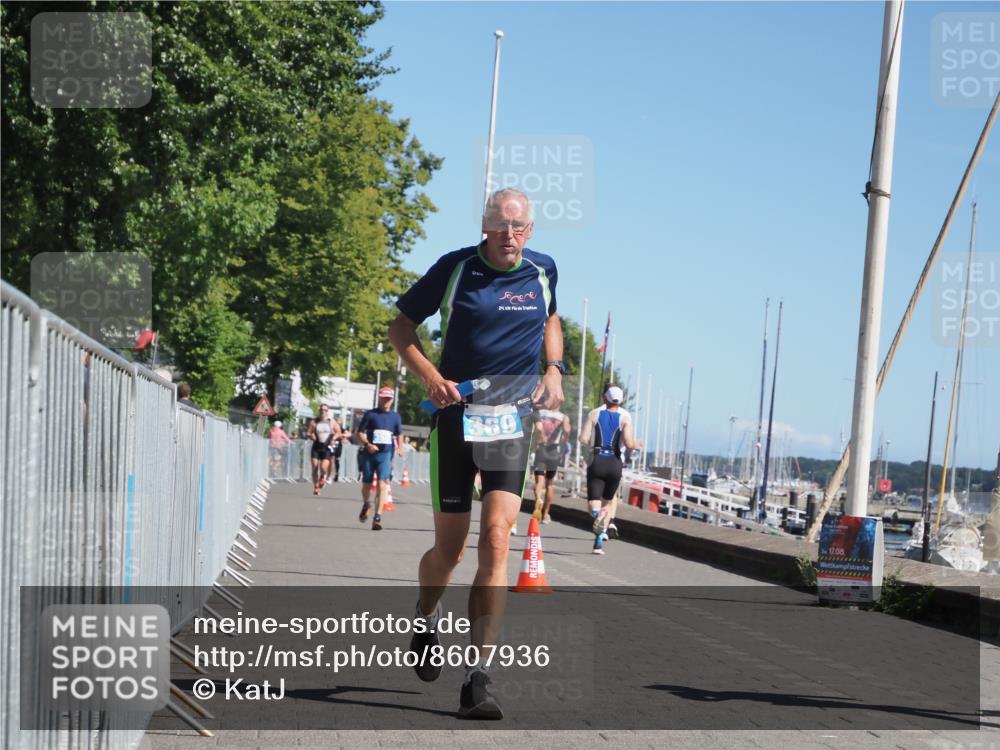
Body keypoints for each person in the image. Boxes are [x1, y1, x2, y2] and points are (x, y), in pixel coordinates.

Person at [389, 188, 563, 720]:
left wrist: (554, 369)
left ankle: (477, 679)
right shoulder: (455, 268)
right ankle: (424, 614)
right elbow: (401, 328)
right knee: (450, 552)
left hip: (511, 424)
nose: (509, 234)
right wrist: (433, 378)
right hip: (455, 420)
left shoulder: (543, 271)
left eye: (519, 226)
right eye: (500, 224)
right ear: (485, 226)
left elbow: (550, 320)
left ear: (530, 230)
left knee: (496, 542)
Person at [579, 385, 639, 555]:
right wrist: (636, 444)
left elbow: (583, 439)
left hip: (596, 460)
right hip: (614, 463)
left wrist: (588, 442)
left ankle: (597, 516)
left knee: (594, 504)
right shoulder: (625, 419)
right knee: (608, 502)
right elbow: (628, 443)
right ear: (621, 400)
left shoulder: (594, 414)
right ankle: (598, 544)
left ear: (605, 397)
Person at [356, 387, 403, 530]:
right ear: (379, 398)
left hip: (385, 455)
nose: (386, 401)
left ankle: (378, 517)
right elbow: (359, 433)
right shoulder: (371, 414)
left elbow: (399, 433)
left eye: (388, 399)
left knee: (383, 485)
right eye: (383, 398)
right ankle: (366, 503)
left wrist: (400, 446)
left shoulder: (395, 417)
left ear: (392, 400)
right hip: (369, 454)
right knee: (367, 484)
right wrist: (367, 444)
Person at [531, 409, 570, 524]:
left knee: (539, 482)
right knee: (550, 484)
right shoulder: (563, 416)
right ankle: (546, 514)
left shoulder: (540, 413)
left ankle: (538, 499)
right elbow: (567, 430)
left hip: (541, 449)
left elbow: (537, 429)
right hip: (553, 451)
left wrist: (537, 441)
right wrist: (563, 440)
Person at [307, 405, 340, 495]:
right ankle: (316, 487)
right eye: (321, 410)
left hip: (326, 447)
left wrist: (334, 439)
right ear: (319, 410)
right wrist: (311, 435)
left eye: (325, 410)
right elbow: (309, 432)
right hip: (316, 447)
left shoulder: (331, 421)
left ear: (327, 411)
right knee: (314, 467)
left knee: (323, 467)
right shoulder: (314, 421)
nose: (323, 411)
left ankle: (323, 476)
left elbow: (338, 432)